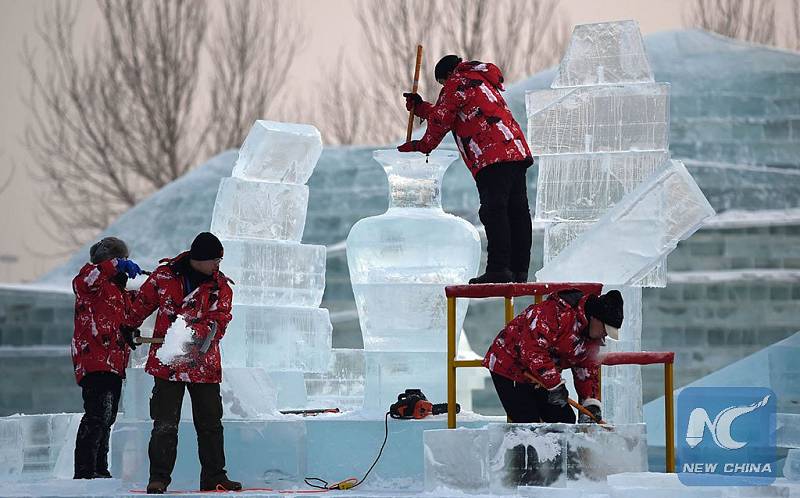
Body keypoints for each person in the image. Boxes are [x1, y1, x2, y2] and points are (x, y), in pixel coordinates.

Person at [398, 54, 534, 284]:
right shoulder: (478, 80)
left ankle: (499, 268)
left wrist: (421, 146)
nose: (443, 87)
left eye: (441, 83)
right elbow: (451, 112)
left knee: (495, 211)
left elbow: (442, 120)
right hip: (514, 151)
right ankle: (518, 270)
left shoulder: (456, 83)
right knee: (517, 212)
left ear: (446, 76)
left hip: (490, 155)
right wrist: (421, 108)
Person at [124, 232, 240, 494]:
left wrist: (192, 336)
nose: (218, 265)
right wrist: (128, 326)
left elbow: (220, 321)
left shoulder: (221, 288)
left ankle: (214, 477)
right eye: (214, 260)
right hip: (168, 363)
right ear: (198, 259)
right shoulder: (164, 277)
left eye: (220, 260)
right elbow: (142, 304)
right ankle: (159, 479)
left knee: (210, 423)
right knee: (165, 424)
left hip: (203, 364)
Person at [483, 289, 624, 424]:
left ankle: (555, 449)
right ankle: (524, 449)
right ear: (595, 317)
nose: (605, 335)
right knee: (527, 424)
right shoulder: (554, 313)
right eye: (605, 329)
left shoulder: (592, 338)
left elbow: (586, 371)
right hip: (510, 365)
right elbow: (533, 350)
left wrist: (590, 403)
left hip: (541, 376)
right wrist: (555, 385)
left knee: (564, 421)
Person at [71, 236, 144, 479]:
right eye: (119, 259)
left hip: (115, 362)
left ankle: (100, 468)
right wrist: (114, 266)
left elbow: (140, 306)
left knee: (108, 417)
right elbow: (88, 280)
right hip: (94, 359)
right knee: (97, 414)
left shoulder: (120, 291)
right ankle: (85, 471)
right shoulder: (89, 281)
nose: (122, 263)